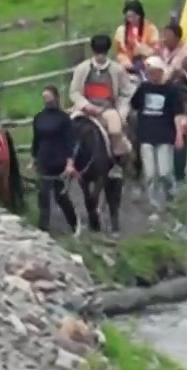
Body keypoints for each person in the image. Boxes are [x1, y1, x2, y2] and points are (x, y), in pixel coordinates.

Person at [65, 34, 134, 160]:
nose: (100, 56)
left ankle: (116, 160)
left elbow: (127, 92)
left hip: (107, 109)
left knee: (115, 130)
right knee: (68, 129)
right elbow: (74, 92)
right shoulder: (82, 69)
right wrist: (86, 105)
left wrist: (122, 111)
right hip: (85, 109)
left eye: (102, 53)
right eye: (97, 53)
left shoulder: (117, 70)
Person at [129, 55, 183, 207]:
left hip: (165, 135)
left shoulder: (171, 90)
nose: (151, 76)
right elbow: (134, 106)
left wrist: (178, 134)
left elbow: (178, 114)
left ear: (161, 72)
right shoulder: (144, 88)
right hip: (146, 134)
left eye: (154, 72)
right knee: (150, 173)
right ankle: (154, 203)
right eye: (149, 72)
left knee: (164, 171)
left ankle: (171, 189)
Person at [29, 87, 82, 231]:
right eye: (45, 98)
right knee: (43, 196)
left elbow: (69, 141)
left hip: (59, 161)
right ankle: (43, 229)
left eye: (49, 98)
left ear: (56, 98)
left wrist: (70, 163)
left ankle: (75, 224)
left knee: (61, 197)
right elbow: (36, 140)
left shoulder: (64, 119)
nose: (47, 100)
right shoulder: (39, 118)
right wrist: (33, 159)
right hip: (43, 159)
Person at [113, 0, 161, 77]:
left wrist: (143, 50)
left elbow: (156, 50)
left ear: (140, 15)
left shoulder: (151, 28)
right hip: (128, 61)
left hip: (146, 60)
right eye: (128, 17)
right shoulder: (121, 30)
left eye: (133, 16)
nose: (130, 19)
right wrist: (125, 60)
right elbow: (119, 52)